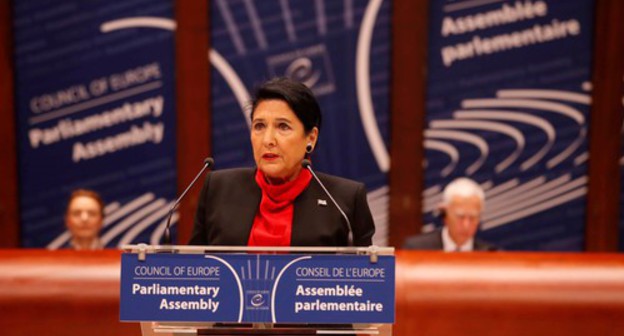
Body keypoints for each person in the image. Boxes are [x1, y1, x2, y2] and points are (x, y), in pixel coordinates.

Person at [189, 77, 375, 247]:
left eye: (283, 126)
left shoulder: (345, 201)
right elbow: (193, 272)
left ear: (311, 138)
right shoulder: (217, 189)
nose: (268, 139)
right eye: (259, 126)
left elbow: (364, 279)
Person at [404, 177, 497, 251]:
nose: (466, 225)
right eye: (460, 217)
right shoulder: (417, 249)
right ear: (445, 215)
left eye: (472, 218)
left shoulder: (491, 254)